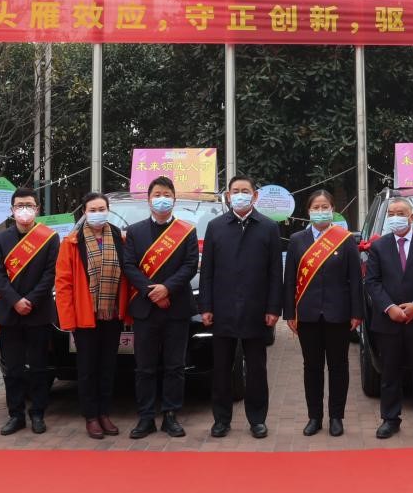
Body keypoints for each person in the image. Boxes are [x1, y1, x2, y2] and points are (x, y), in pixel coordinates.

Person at [198, 176, 283, 439]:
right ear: (228, 196)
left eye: (245, 191)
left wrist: (273, 308)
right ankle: (221, 420)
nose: (240, 195)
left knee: (256, 368)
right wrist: (206, 306)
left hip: (256, 310)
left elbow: (275, 272)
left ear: (255, 196)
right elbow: (207, 271)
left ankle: (257, 419)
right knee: (222, 368)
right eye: (235, 191)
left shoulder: (268, 227)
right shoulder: (215, 227)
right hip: (222, 309)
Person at [122, 176, 199, 439]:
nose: (161, 199)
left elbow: (190, 265)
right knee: (144, 367)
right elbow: (129, 266)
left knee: (175, 366)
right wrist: (151, 291)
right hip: (145, 309)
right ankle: (146, 417)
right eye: (157, 194)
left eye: (166, 194)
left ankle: (170, 415)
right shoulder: (135, 231)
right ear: (149, 199)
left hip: (177, 308)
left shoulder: (186, 231)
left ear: (174, 199)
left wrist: (167, 288)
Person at [282, 189, 363, 437]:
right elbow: (290, 279)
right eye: (315, 207)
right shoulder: (297, 240)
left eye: (324, 207)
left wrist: (357, 312)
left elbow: (355, 279)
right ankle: (314, 417)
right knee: (312, 367)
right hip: (307, 315)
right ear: (308, 211)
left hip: (338, 314)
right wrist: (289, 313)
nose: (320, 211)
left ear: (332, 210)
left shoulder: (344, 239)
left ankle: (336, 417)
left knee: (339, 367)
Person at [364, 196, 413, 442]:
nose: (395, 218)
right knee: (389, 374)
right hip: (388, 322)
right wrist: (389, 308)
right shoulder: (379, 247)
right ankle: (390, 419)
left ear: (412, 217)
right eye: (391, 214)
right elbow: (372, 282)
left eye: (401, 213)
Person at [56, 192, 131, 440]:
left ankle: (104, 413)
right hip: (84, 316)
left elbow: (129, 275)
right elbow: (63, 283)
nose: (98, 213)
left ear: (108, 210)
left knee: (108, 366)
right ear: (84, 212)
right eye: (93, 209)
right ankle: (91, 416)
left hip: (112, 314)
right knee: (87, 368)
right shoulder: (71, 242)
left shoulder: (121, 238)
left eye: (101, 209)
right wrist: (67, 319)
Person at [0, 187, 58, 435]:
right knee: (13, 369)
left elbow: (50, 274)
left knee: (39, 368)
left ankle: (38, 413)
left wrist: (30, 299)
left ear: (37, 209)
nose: (24, 210)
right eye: (19, 205)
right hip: (10, 313)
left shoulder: (49, 238)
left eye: (29, 205)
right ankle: (15, 415)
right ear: (12, 210)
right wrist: (15, 300)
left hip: (38, 312)